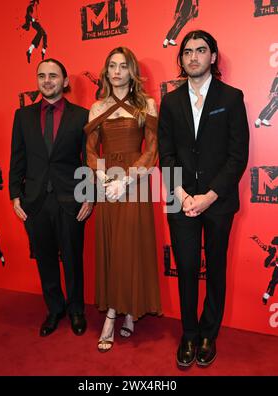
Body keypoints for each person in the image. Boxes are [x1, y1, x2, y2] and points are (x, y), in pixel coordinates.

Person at [158, 30, 249, 368]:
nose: (193, 56)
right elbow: (164, 155)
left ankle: (210, 332)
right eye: (187, 52)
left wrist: (209, 196)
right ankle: (190, 333)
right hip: (180, 200)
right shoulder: (169, 101)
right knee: (185, 270)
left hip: (218, 202)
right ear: (180, 59)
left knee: (216, 268)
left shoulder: (231, 98)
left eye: (200, 50)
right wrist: (182, 194)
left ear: (213, 56)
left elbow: (237, 156)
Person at [85, 46, 162, 352]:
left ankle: (118, 313)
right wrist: (104, 179)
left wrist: (127, 180)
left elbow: (152, 150)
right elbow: (91, 151)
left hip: (136, 183)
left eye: (123, 66)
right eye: (111, 66)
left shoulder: (148, 105)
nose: (116, 71)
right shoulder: (96, 107)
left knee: (129, 246)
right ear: (106, 72)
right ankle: (121, 311)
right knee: (112, 246)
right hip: (107, 185)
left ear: (132, 71)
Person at [9, 58, 92, 337]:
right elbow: (17, 159)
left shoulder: (82, 116)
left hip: (70, 200)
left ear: (65, 81)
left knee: (72, 258)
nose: (47, 80)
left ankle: (76, 310)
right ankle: (55, 309)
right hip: (35, 201)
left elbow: (88, 161)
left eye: (53, 76)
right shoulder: (23, 116)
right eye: (42, 75)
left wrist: (88, 197)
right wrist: (14, 195)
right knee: (45, 259)